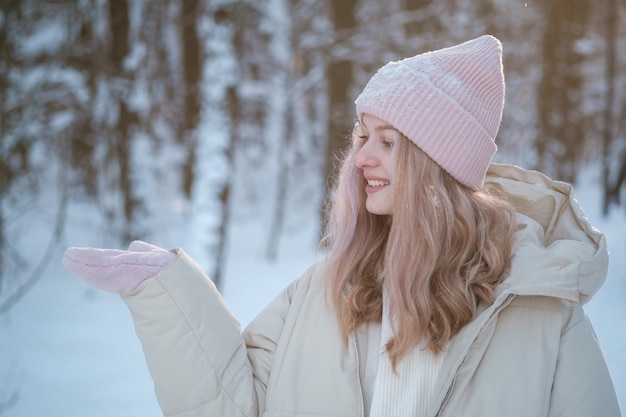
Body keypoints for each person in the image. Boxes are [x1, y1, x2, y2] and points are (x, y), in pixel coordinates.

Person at [63, 35, 622, 417]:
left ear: (439, 163)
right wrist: (166, 293)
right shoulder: (328, 286)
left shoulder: (543, 310)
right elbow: (236, 404)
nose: (361, 159)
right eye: (362, 138)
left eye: (387, 143)